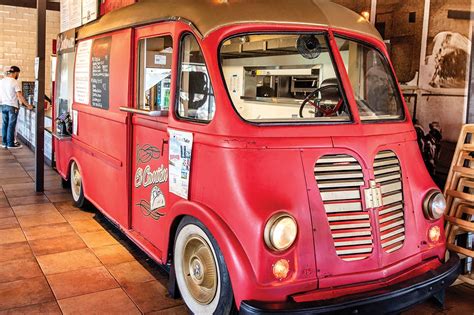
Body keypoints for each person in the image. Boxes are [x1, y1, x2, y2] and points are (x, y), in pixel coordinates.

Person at [0, 66, 33, 149]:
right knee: (11, 125)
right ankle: (10, 144)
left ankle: (4, 143)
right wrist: (28, 105)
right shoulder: (15, 82)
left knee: (4, 125)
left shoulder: (2, 81)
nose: (18, 75)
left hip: (3, 105)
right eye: (18, 73)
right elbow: (19, 96)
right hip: (12, 106)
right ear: (15, 73)